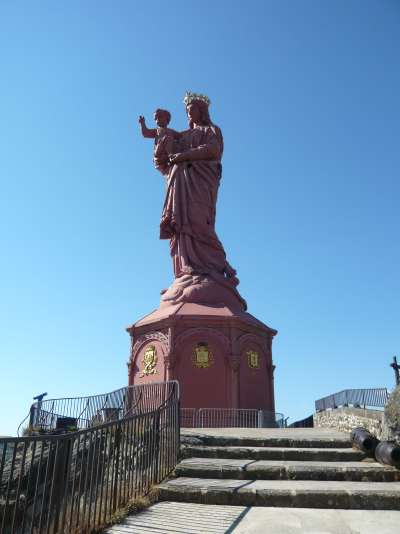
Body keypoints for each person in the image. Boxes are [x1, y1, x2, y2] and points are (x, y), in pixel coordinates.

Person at [157, 92, 246, 310]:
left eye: (192, 109)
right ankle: (188, 270)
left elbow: (212, 150)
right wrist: (162, 139)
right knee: (183, 227)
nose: (189, 113)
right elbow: (164, 161)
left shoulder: (211, 131)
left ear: (202, 111)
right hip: (180, 189)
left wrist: (184, 157)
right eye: (187, 111)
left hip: (200, 185)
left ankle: (216, 268)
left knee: (199, 223)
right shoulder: (184, 136)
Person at [139, 109, 178, 176]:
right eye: (155, 119)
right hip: (158, 153)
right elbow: (145, 133)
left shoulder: (171, 131)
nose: (157, 120)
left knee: (172, 140)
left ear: (166, 118)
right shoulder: (157, 130)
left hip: (165, 156)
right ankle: (171, 155)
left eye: (159, 117)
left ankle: (171, 156)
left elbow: (181, 136)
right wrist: (142, 123)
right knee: (167, 138)